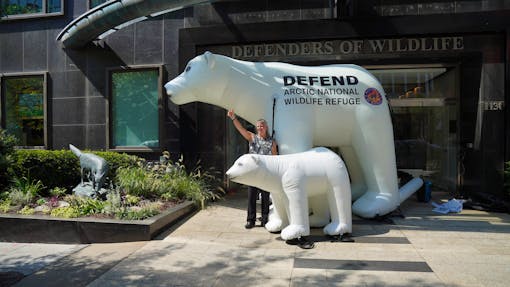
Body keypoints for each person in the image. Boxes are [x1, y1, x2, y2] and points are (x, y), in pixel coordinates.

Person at [227, 109, 277, 229]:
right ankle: (251, 220)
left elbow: (275, 159)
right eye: (258, 126)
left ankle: (265, 219)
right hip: (253, 174)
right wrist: (233, 118)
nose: (260, 128)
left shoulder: (272, 142)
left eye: (262, 126)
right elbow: (241, 129)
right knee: (251, 197)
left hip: (266, 174)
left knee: (265, 197)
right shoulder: (252, 137)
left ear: (266, 127)